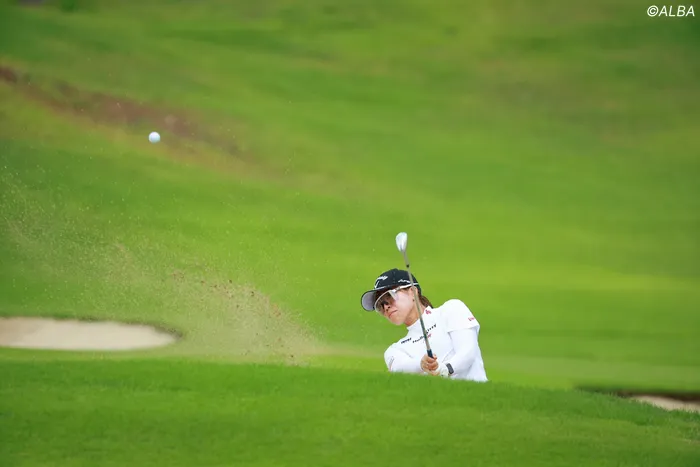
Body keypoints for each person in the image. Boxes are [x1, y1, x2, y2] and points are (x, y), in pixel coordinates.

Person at [360, 268, 487, 382]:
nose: (386, 307)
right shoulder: (395, 350)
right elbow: (400, 368)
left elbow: (468, 352)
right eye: (380, 305)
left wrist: (445, 369)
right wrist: (422, 364)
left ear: (412, 292)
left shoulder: (451, 309)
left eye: (389, 296)